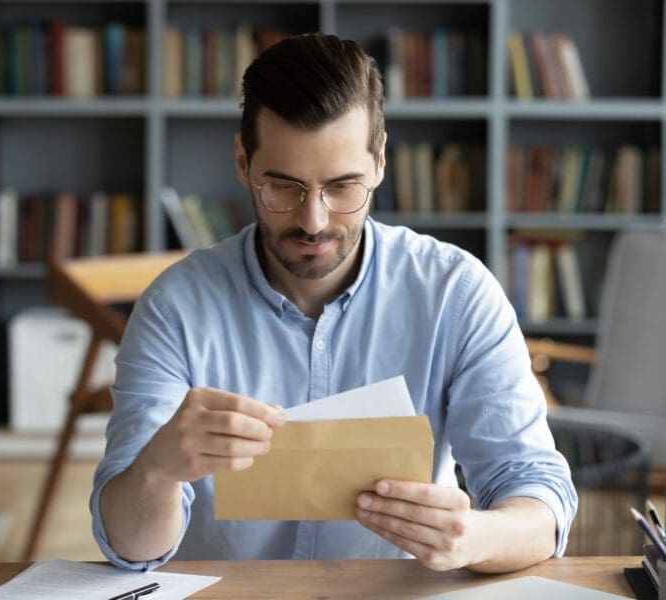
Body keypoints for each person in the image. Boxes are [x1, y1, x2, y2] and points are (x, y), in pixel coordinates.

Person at [92, 33, 577, 573]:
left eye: (343, 187)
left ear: (380, 163)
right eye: (284, 186)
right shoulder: (174, 307)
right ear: (242, 162)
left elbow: (540, 497)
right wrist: (157, 471)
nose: (313, 221)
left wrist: (475, 537)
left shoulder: (455, 295)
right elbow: (129, 546)